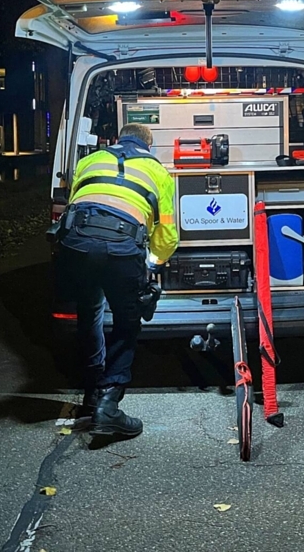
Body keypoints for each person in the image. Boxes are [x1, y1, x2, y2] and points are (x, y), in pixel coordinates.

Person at [55, 123, 177, 437]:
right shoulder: (157, 171)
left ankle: (93, 391)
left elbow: (75, 202)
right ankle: (109, 404)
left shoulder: (90, 160)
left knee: (90, 312)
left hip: (77, 243)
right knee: (127, 319)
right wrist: (153, 262)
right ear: (148, 146)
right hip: (123, 248)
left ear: (117, 141)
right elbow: (167, 234)